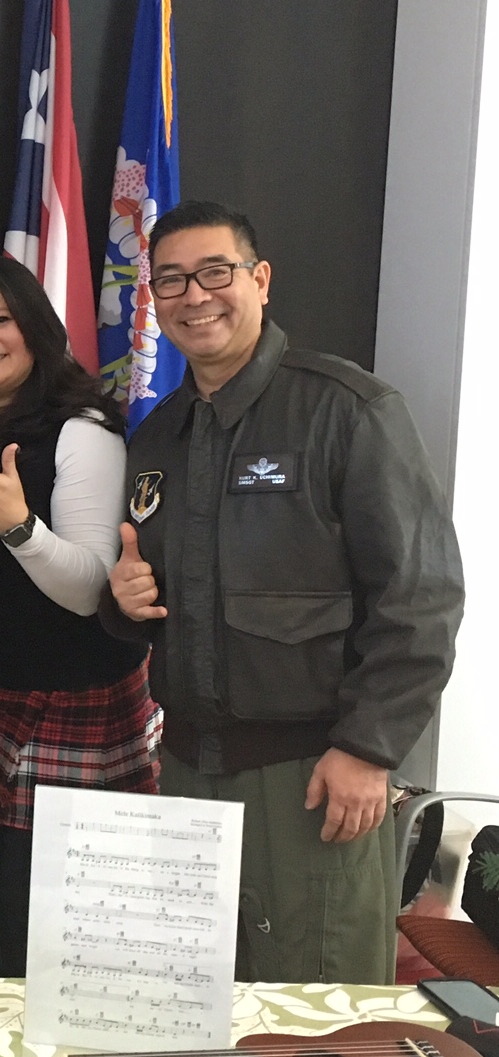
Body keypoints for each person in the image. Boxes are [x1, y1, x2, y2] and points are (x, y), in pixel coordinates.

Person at [102, 200, 464, 985]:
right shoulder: (158, 437)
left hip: (313, 776)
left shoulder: (348, 411)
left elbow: (421, 597)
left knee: (316, 1012)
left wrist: (369, 749)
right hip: (188, 772)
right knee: (194, 1001)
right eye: (172, 280)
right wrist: (125, 600)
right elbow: (162, 602)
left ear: (260, 280)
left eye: (215, 272)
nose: (195, 295)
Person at [0, 240, 158, 975]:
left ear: (35, 326)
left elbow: (91, 589)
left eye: (1, 320)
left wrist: (17, 526)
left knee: (64, 918)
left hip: (75, 699)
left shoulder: (81, 428)